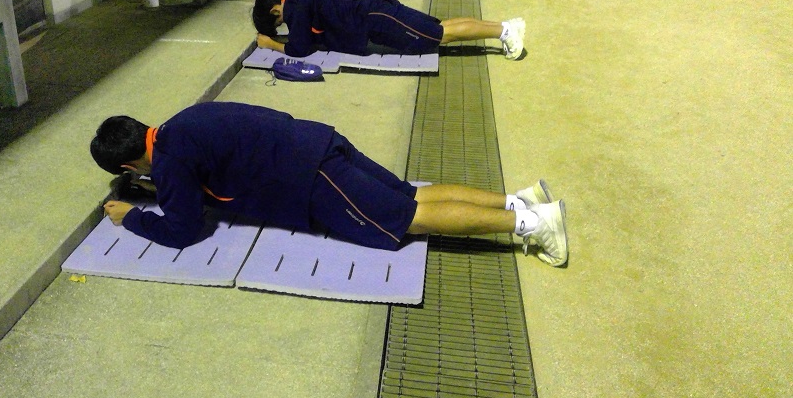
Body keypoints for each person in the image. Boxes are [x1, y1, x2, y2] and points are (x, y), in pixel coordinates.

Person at [91, 102, 568, 266]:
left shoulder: (169, 162)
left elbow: (183, 229)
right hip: (320, 141)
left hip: (311, 176)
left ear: (129, 165)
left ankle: (533, 224)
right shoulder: (181, 124)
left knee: (410, 218)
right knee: (410, 193)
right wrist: (158, 187)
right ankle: (518, 200)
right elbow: (201, 175)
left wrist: (131, 217)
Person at [252, 0, 526, 60]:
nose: (285, 25)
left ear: (276, 10)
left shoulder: (296, 7)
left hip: (379, 20)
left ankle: (504, 31)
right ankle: (505, 26)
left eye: (279, 23)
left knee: (440, 36)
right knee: (441, 27)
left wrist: (270, 44)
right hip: (378, 10)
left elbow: (299, 48)